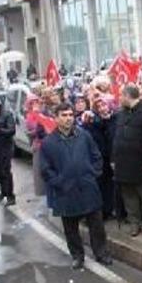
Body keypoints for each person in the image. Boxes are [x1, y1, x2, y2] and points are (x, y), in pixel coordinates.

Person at [39, 103, 113, 270]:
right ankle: (77, 256)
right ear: (56, 118)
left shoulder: (84, 136)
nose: (68, 118)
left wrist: (93, 174)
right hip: (66, 191)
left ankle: (101, 253)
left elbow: (96, 156)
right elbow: (45, 170)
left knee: (96, 224)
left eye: (70, 115)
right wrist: (59, 182)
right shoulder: (49, 143)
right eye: (64, 115)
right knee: (71, 227)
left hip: (87, 187)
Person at [112, 85, 142, 237]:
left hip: (141, 162)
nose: (120, 99)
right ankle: (134, 222)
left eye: (121, 96)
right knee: (129, 194)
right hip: (123, 162)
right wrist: (114, 158)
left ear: (127, 96)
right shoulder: (121, 114)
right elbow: (116, 137)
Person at [84, 97, 117, 219]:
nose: (103, 109)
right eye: (99, 107)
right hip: (98, 159)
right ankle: (102, 212)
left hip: (111, 158)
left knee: (110, 186)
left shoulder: (114, 119)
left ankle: (110, 209)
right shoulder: (91, 122)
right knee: (101, 186)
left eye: (104, 105)